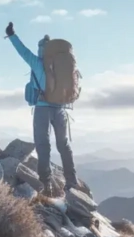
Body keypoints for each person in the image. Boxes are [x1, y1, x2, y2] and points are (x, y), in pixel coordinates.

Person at [5, 21, 79, 197]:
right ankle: (72, 182)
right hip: (61, 108)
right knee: (64, 145)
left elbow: (22, 51)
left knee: (43, 145)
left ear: (41, 50)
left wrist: (11, 35)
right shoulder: (64, 63)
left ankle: (46, 185)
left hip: (42, 108)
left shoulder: (38, 63)